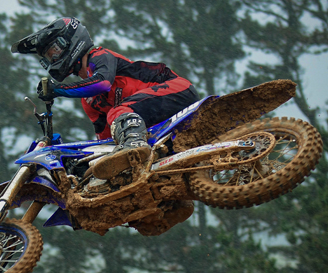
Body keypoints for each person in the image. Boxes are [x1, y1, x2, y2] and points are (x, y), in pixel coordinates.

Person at [11, 17, 200, 179]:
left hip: (177, 90)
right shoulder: (89, 101)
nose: (53, 59)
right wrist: (85, 164)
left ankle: (134, 143)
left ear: (70, 40)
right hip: (160, 124)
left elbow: (102, 83)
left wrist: (58, 90)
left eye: (54, 51)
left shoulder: (99, 55)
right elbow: (105, 141)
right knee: (116, 125)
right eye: (48, 57)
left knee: (118, 111)